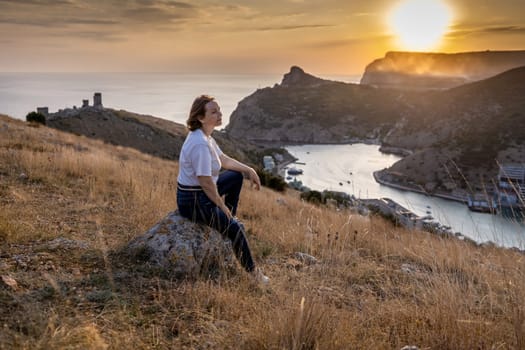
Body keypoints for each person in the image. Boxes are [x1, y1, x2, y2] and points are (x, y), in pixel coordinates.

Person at [176, 94, 269, 284]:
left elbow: (224, 160)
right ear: (201, 117)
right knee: (235, 228)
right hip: (193, 199)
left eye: (219, 110)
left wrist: (249, 170)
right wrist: (221, 207)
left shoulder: (206, 137)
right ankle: (254, 274)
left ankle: (226, 220)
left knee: (235, 176)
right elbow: (205, 182)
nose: (220, 114)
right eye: (214, 111)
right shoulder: (200, 144)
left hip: (201, 192)